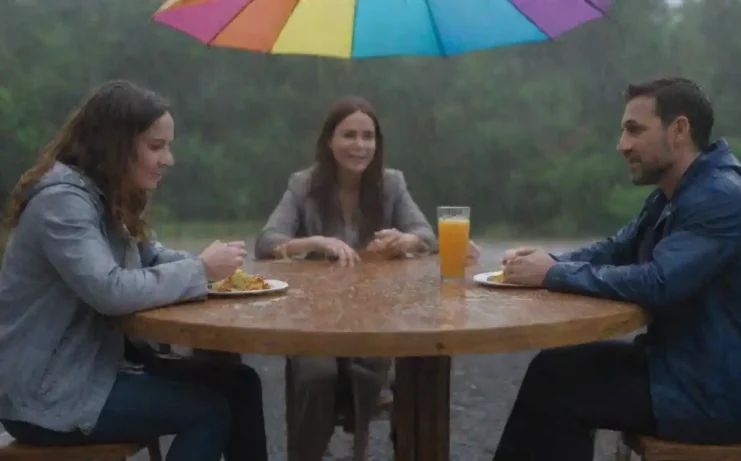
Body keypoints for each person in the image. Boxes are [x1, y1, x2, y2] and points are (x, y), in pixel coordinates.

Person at [492, 77, 741, 460]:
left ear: (679, 130)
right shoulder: (675, 193)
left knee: (561, 390)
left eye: (634, 130)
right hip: (680, 367)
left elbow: (658, 281)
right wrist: (550, 262)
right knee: (553, 368)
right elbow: (617, 249)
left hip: (714, 393)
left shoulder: (719, 198)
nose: (622, 145)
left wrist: (551, 275)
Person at [0, 80, 268, 461]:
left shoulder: (105, 194)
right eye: (156, 147)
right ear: (116, 145)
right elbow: (111, 291)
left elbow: (149, 257)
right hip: (49, 394)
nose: (168, 159)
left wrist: (217, 270)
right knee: (208, 411)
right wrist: (199, 269)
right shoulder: (63, 203)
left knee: (241, 383)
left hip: (97, 368)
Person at [255, 95, 442, 461]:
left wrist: (406, 239)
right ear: (330, 140)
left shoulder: (391, 183)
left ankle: (373, 448)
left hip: (374, 312)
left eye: (368, 136)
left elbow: (427, 235)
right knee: (316, 373)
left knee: (378, 366)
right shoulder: (302, 185)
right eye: (349, 135)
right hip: (314, 315)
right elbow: (266, 242)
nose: (360, 145)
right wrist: (314, 242)